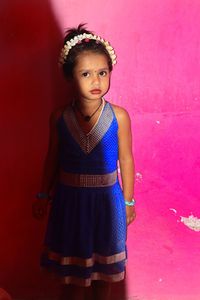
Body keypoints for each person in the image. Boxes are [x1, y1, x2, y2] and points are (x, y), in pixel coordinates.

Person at [32, 23, 136, 300]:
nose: (96, 81)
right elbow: (52, 158)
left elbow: (125, 158)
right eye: (86, 74)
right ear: (70, 77)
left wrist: (128, 201)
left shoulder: (119, 117)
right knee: (72, 279)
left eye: (102, 73)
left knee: (104, 276)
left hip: (107, 203)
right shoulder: (59, 117)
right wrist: (43, 194)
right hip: (70, 203)